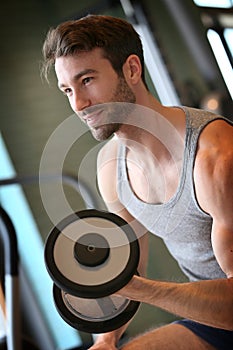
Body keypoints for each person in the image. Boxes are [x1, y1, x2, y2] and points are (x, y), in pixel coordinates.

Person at [41, 14, 233, 350]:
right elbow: (131, 265)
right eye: (68, 89)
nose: (78, 104)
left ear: (131, 69)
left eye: (87, 80)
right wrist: (106, 340)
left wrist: (135, 287)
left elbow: (134, 282)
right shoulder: (111, 168)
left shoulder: (214, 157)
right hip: (211, 320)